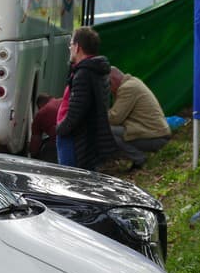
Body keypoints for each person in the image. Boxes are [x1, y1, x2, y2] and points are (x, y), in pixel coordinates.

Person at [55, 26, 116, 171]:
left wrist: (61, 129)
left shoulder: (84, 73)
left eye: (71, 44)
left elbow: (77, 111)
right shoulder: (96, 70)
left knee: (71, 181)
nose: (69, 48)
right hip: (86, 139)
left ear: (77, 47)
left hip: (75, 140)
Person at [108, 66, 171, 170]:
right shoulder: (133, 82)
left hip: (156, 137)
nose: (109, 90)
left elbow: (115, 118)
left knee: (108, 130)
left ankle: (139, 159)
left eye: (108, 85)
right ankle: (138, 159)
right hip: (157, 133)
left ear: (112, 80)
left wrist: (101, 114)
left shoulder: (127, 88)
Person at [29, 92, 60, 162]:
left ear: (40, 105)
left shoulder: (40, 114)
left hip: (60, 143)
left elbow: (35, 141)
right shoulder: (62, 101)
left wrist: (32, 157)